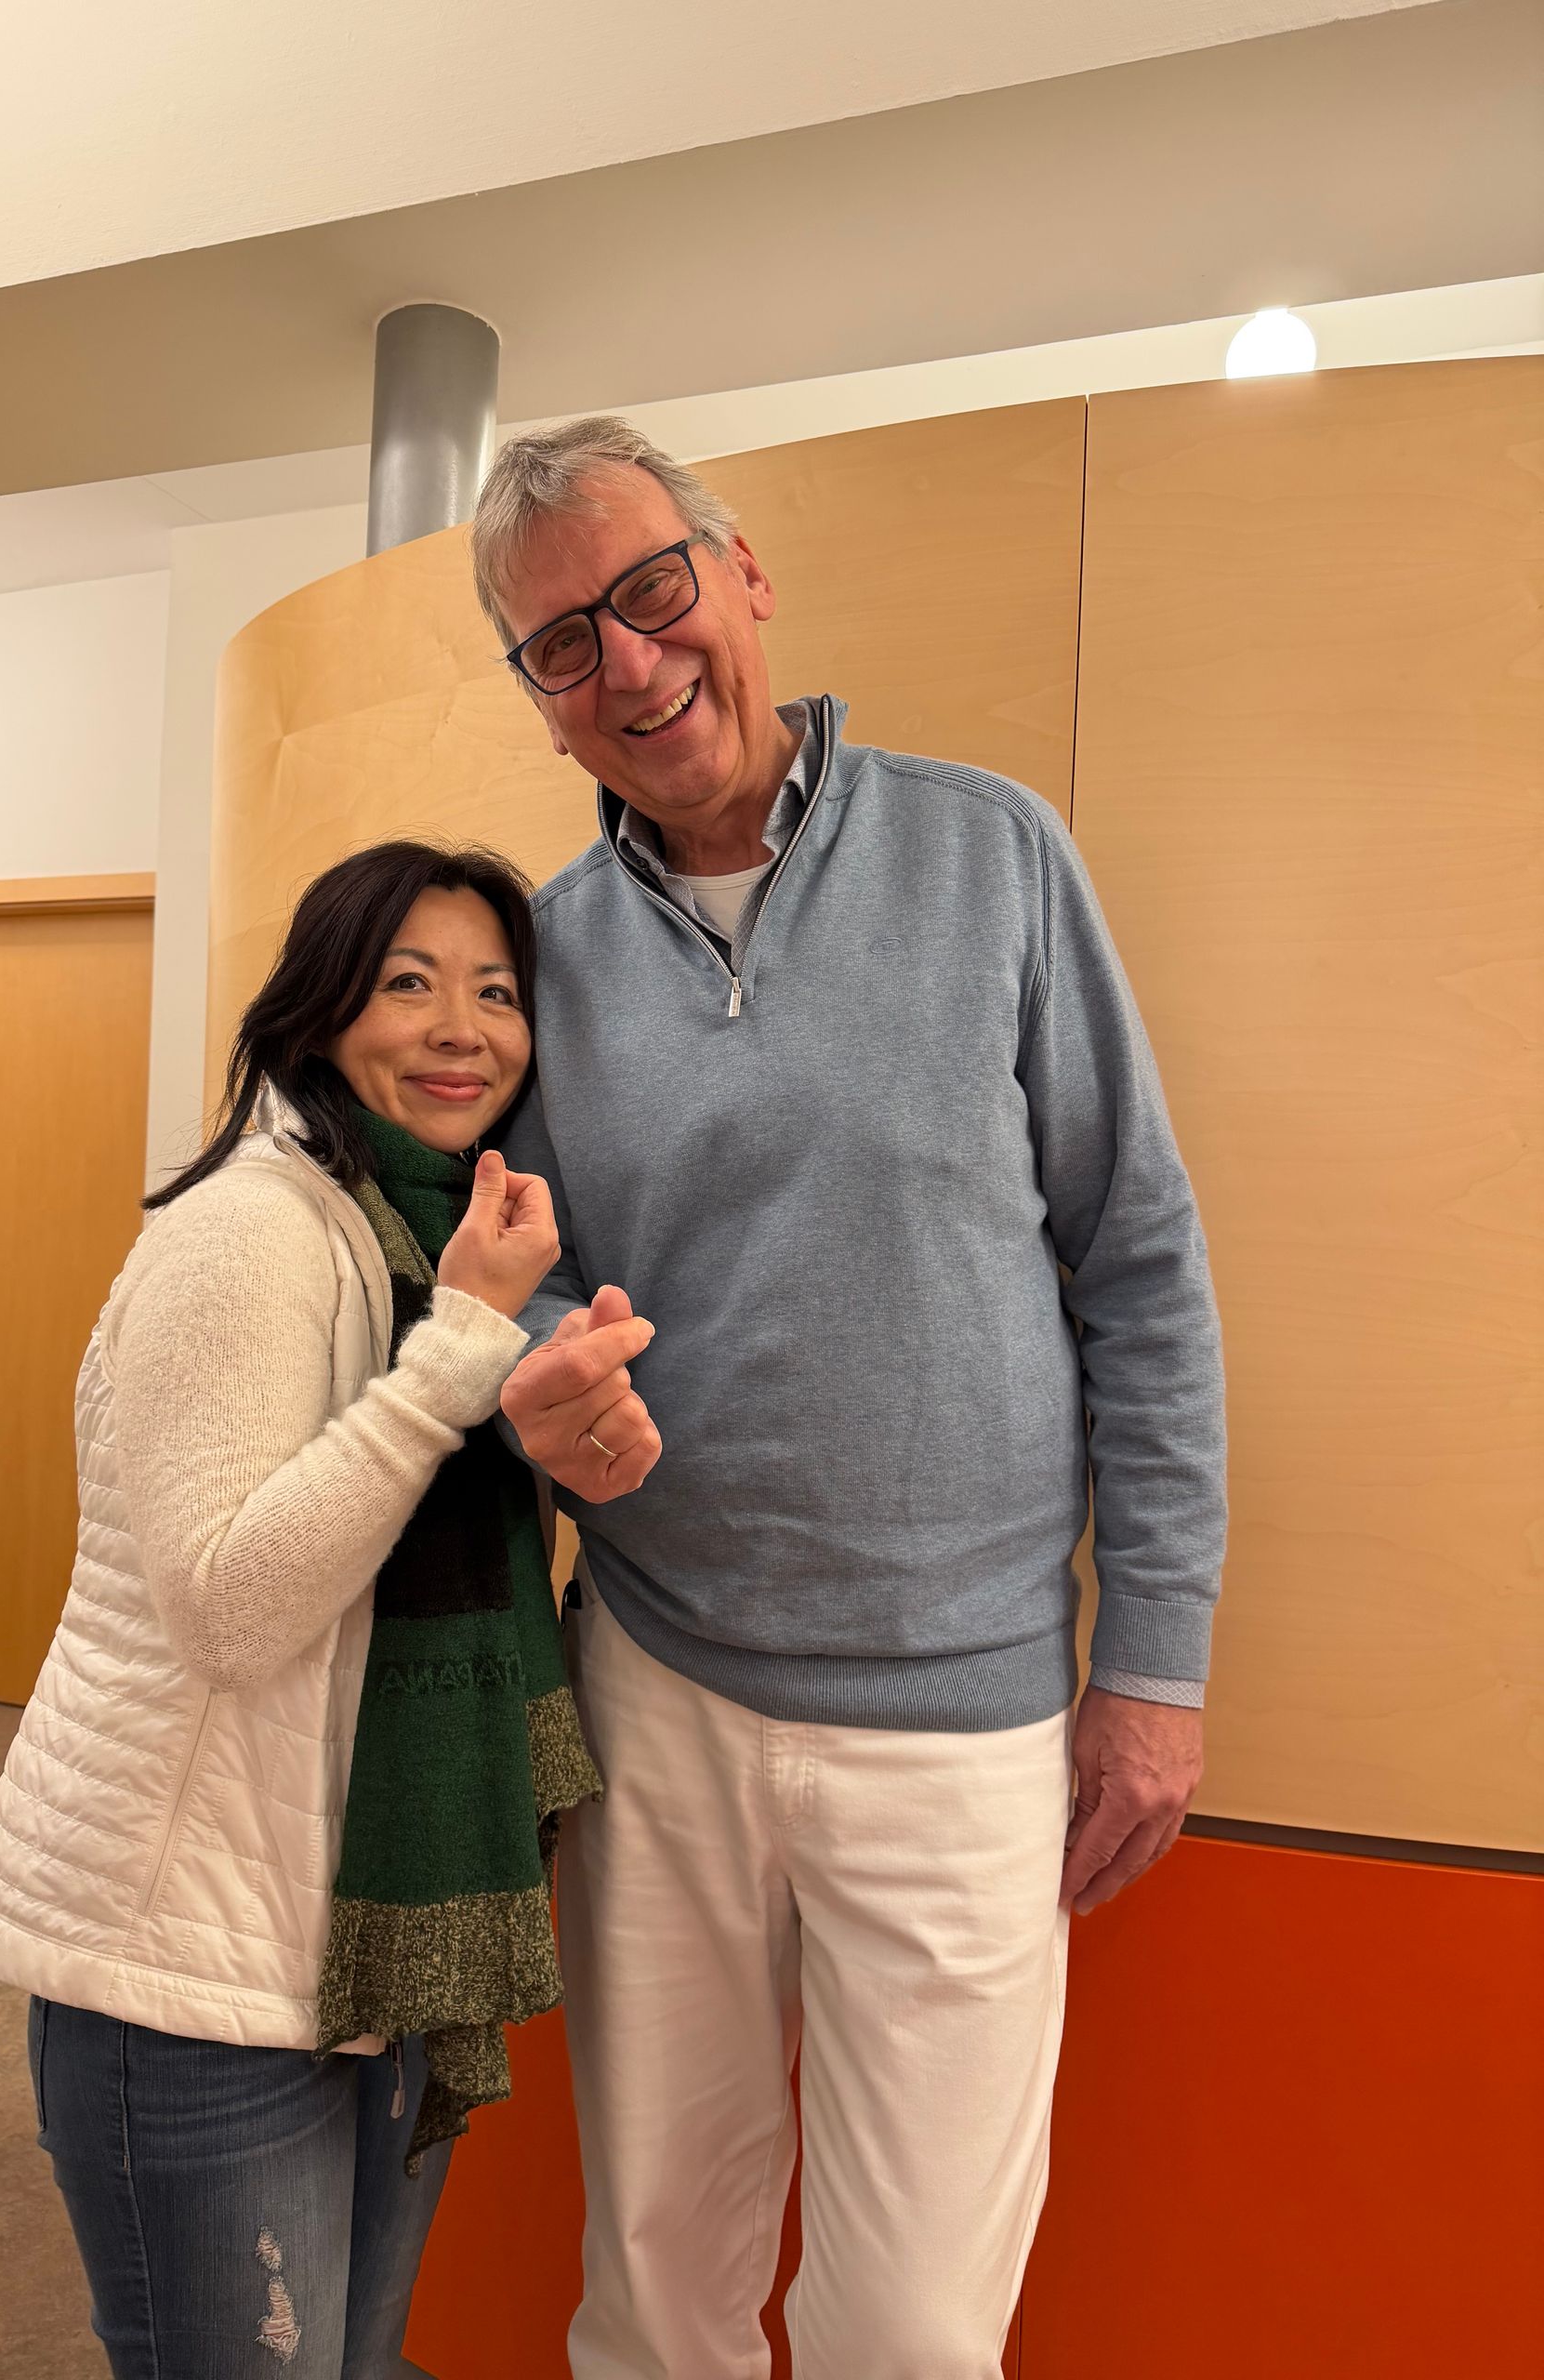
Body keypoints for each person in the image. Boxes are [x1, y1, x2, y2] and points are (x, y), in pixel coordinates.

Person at [468, 419, 1228, 2380]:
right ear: (542, 704)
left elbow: (1138, 1261)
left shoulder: (993, 853)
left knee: (911, 2327)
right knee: (652, 2291)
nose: (628, 663)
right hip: (656, 1691)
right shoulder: (535, 955)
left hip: (963, 1720)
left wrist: (1152, 1665)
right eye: (564, 642)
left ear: (744, 582)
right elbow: (515, 1260)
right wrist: (534, 1372)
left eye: (651, 594)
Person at [0, 840, 623, 2380]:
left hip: (357, 1950)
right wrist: (460, 1356)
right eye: (409, 983)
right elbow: (231, 1612)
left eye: (497, 992)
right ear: (319, 1012)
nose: (464, 1028)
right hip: (188, 1976)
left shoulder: (414, 1235)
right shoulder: (254, 1234)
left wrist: (559, 1414)